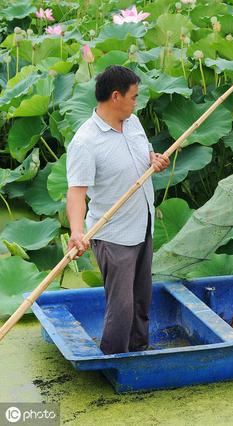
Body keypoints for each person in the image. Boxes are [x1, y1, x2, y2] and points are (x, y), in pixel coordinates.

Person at [66, 65, 170, 354]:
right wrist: (77, 232)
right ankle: (112, 361)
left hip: (142, 224)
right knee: (121, 309)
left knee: (141, 302)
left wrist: (154, 159)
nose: (136, 101)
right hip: (113, 235)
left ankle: (138, 355)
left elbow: (143, 155)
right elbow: (77, 193)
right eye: (134, 96)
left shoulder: (133, 122)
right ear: (116, 96)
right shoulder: (85, 142)